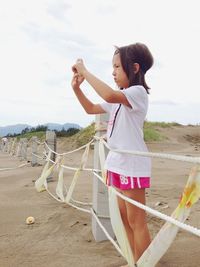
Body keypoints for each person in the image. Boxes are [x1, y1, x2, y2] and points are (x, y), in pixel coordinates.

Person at [71, 42, 154, 266]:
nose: (113, 72)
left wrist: (85, 72)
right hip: (116, 163)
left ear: (134, 68)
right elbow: (91, 109)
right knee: (125, 219)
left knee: (137, 221)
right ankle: (135, 260)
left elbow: (108, 95)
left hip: (132, 164)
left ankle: (144, 263)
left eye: (117, 67)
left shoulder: (137, 94)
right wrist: (77, 89)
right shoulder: (120, 98)